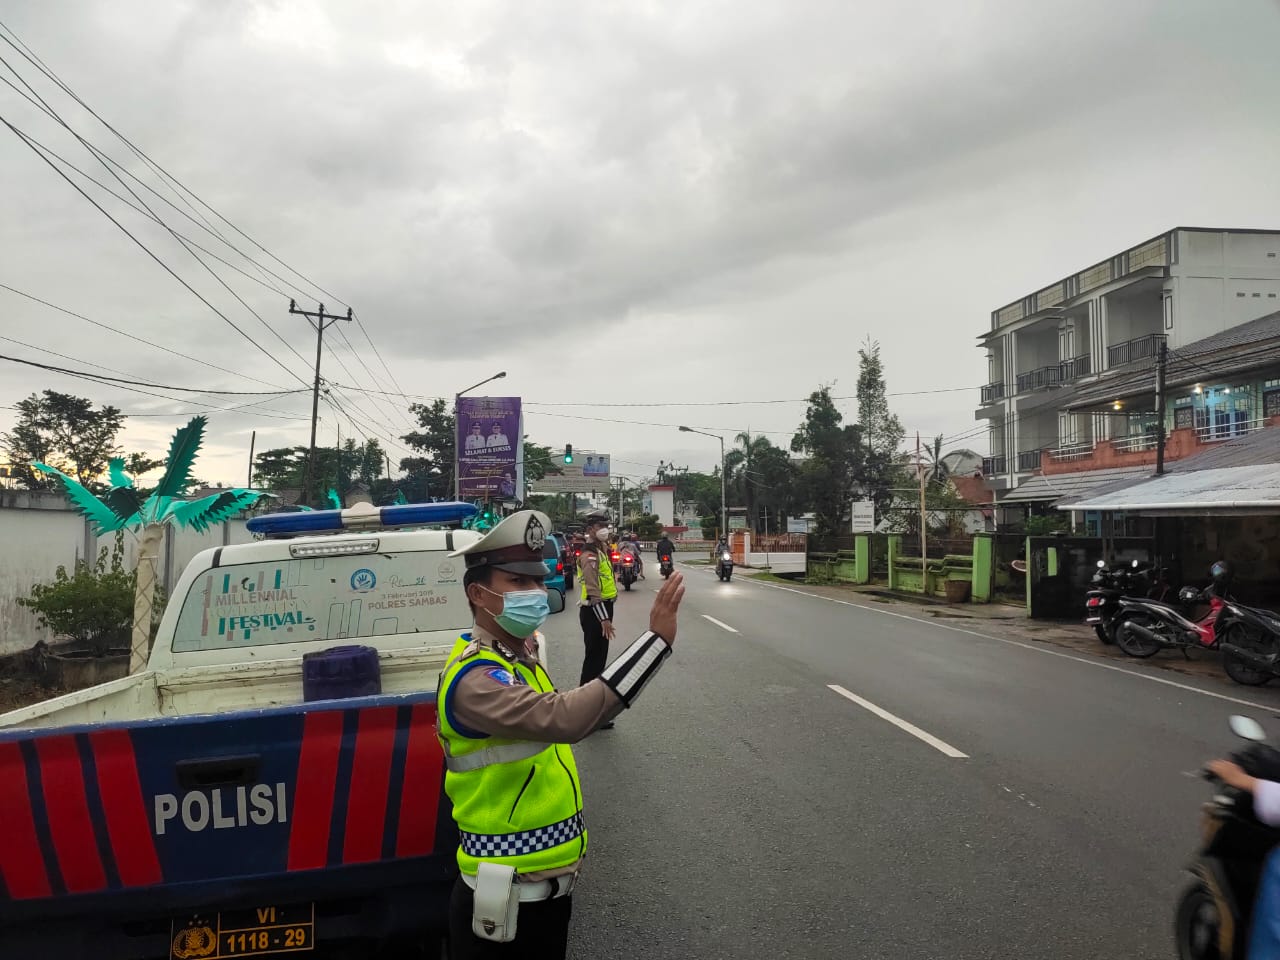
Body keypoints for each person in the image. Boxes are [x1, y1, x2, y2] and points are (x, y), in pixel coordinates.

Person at [441, 510, 685, 958]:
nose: (535, 593)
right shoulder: (476, 680)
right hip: (505, 905)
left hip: (542, 896)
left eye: (537, 581)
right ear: (479, 593)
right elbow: (568, 719)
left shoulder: (514, 661)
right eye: (517, 583)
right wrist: (655, 643)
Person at [576, 510, 618, 718]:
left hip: (600, 609)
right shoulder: (589, 555)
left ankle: (590, 710)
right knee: (594, 662)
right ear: (591, 529)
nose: (605, 529)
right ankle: (586, 711)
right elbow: (593, 591)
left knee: (598, 661)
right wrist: (604, 619)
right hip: (595, 611)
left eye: (606, 525)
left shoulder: (600, 550)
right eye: (601, 525)